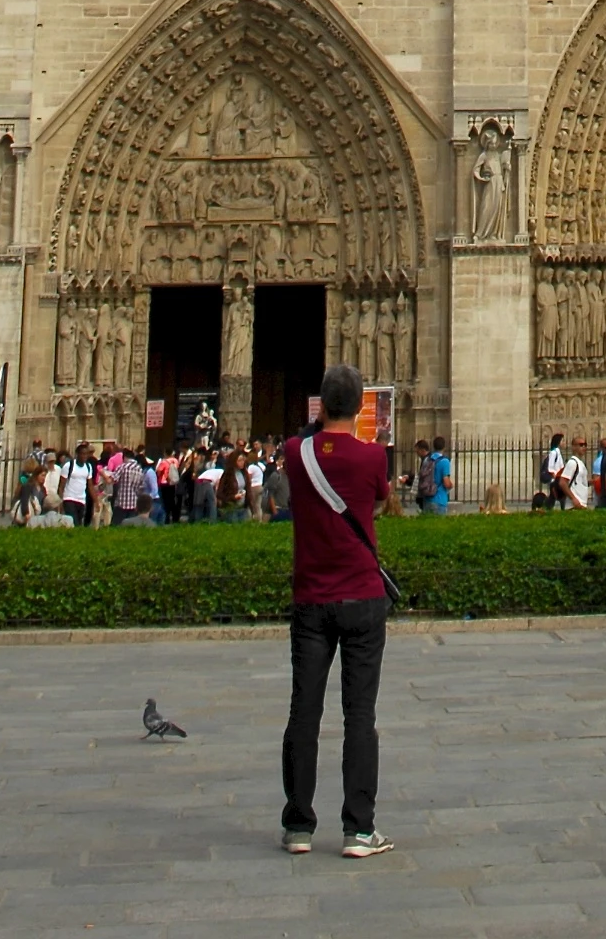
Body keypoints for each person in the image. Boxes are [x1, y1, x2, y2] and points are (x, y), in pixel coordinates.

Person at [279, 366, 394, 857]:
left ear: (321, 405)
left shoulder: (295, 453)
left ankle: (299, 826)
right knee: (359, 714)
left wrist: (320, 424)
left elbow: (304, 437)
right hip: (362, 599)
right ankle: (359, 829)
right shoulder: (372, 457)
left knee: (304, 713)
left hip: (311, 600)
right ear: (360, 406)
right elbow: (383, 499)